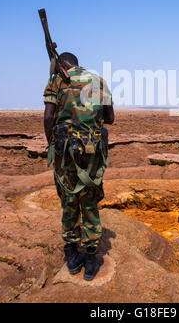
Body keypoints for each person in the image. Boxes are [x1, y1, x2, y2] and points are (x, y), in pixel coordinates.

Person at [43, 52, 114, 281]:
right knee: (90, 201)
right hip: (92, 153)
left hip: (65, 152)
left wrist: (52, 145)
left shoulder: (57, 80)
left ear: (61, 65)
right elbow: (110, 118)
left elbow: (48, 117)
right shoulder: (98, 81)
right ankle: (92, 258)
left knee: (69, 200)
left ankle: (73, 257)